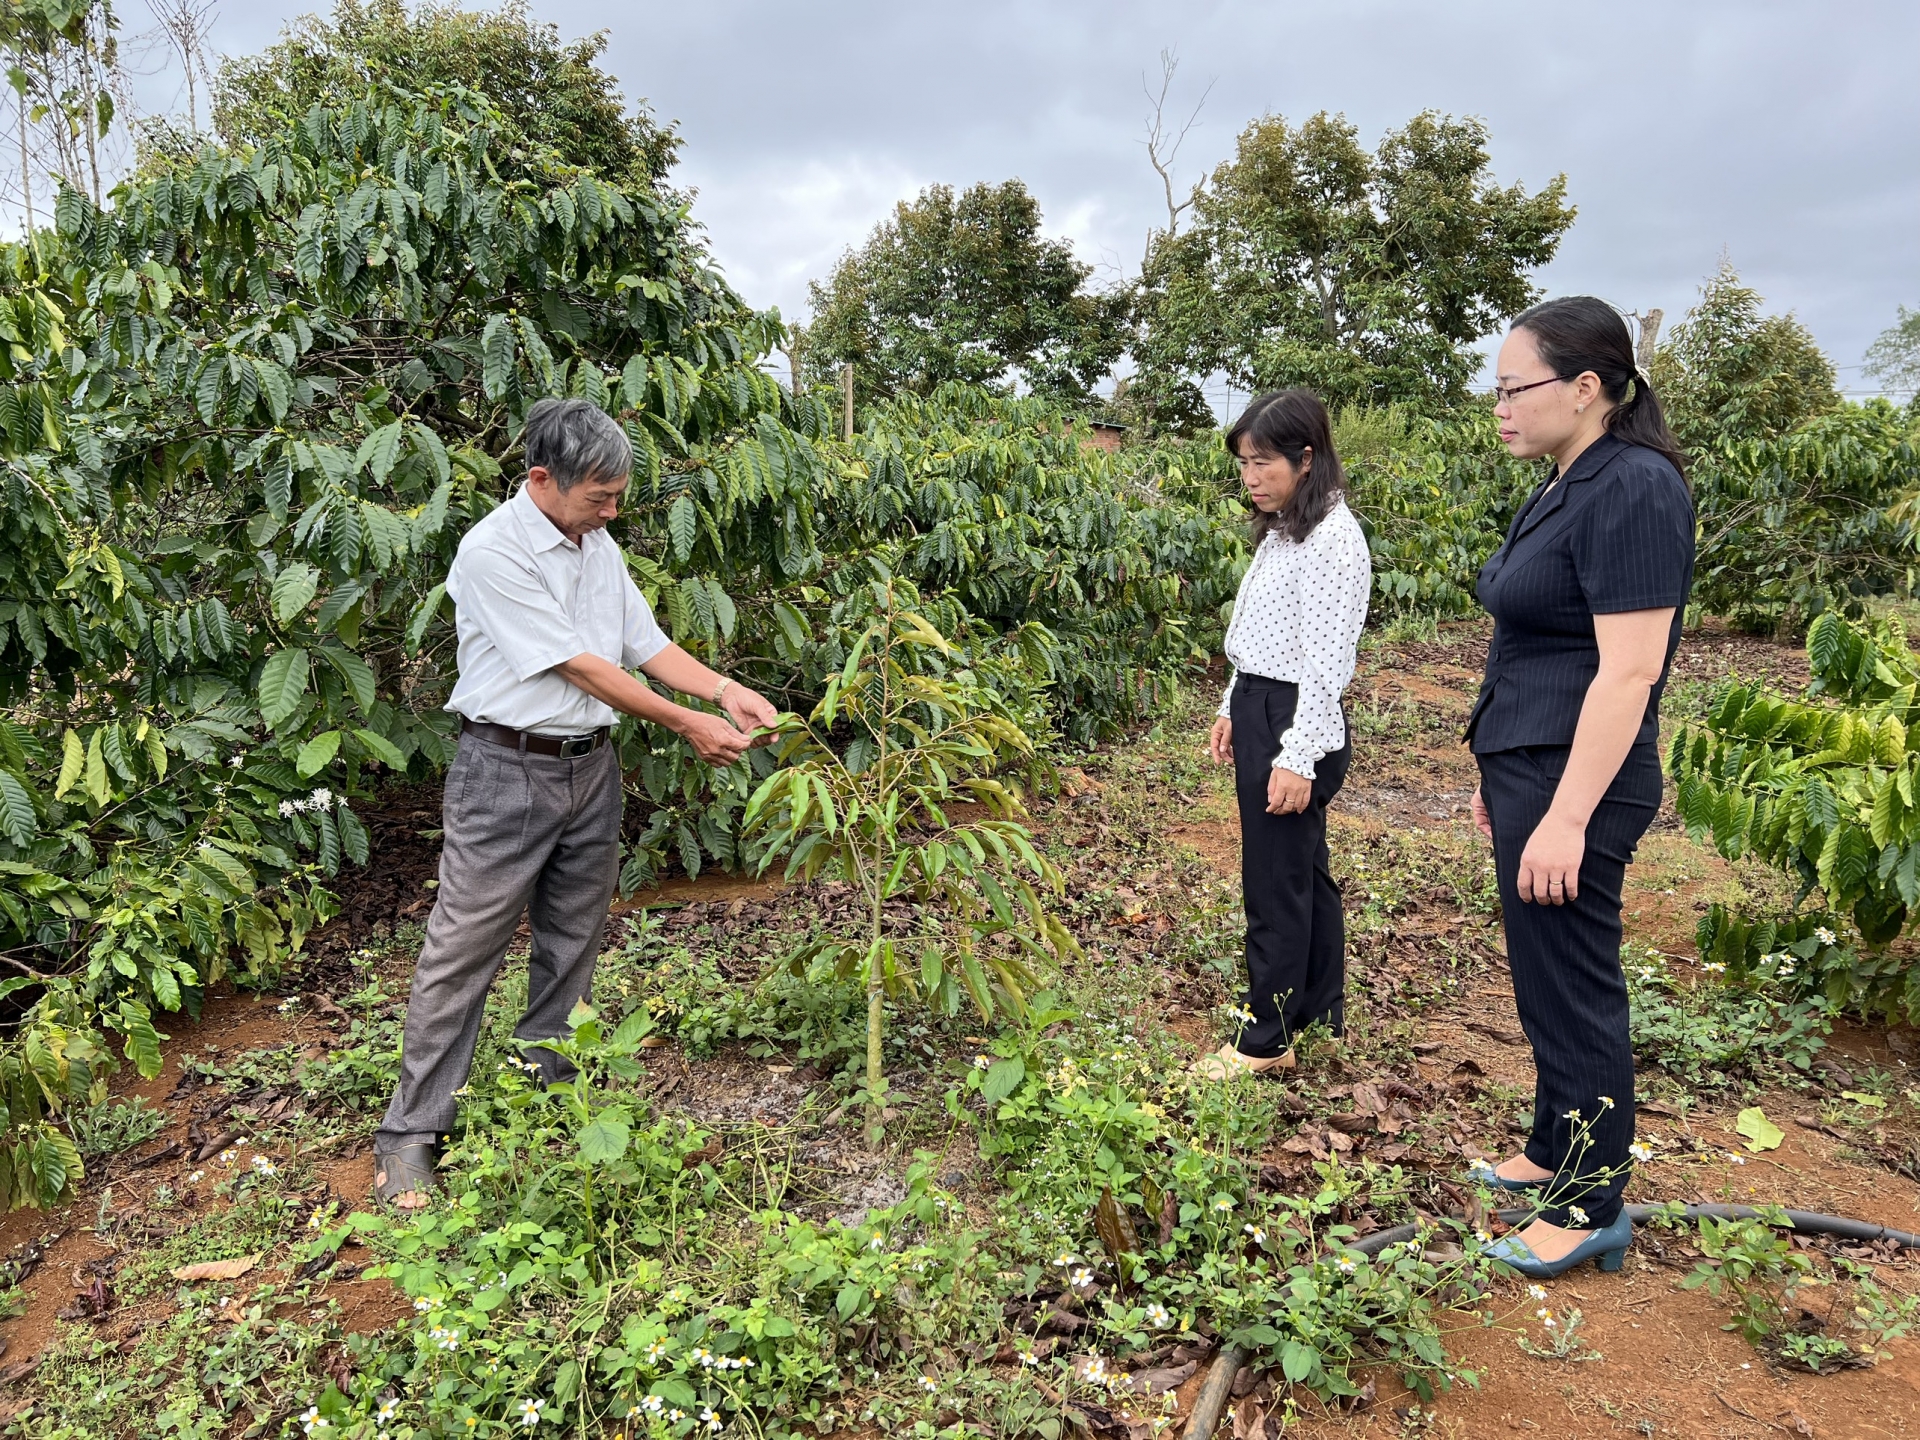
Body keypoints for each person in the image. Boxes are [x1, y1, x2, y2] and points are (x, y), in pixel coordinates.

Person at [372, 398, 778, 1208]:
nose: (612, 509)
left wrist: (726, 691)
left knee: (572, 938)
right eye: (599, 495)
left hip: (589, 770)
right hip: (505, 773)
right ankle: (411, 1136)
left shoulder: (597, 545)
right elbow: (578, 666)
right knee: (463, 952)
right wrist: (685, 722)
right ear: (540, 480)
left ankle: (545, 1088)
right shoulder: (493, 552)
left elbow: (646, 645)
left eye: (618, 495)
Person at [1468, 298, 1695, 1278]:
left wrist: (1564, 814)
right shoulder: (1566, 481)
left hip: (1579, 781)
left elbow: (1630, 671)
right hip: (1532, 763)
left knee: (1575, 986)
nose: (1501, 407)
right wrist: (1498, 766)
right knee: (1542, 978)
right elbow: (1531, 636)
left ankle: (1591, 1201)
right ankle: (1554, 1143)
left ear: (1585, 388)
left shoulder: (1633, 488)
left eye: (1515, 387)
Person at [1197, 390, 1371, 1079]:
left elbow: (1326, 664)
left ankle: (1264, 1038)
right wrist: (1231, 702)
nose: (1250, 478)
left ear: (1306, 458)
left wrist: (1298, 755)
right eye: (1243, 464)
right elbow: (1265, 638)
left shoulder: (1331, 539)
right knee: (1304, 871)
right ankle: (1317, 1010)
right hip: (1266, 703)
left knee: (1273, 882)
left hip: (1298, 718)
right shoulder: (1287, 527)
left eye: (1262, 462)